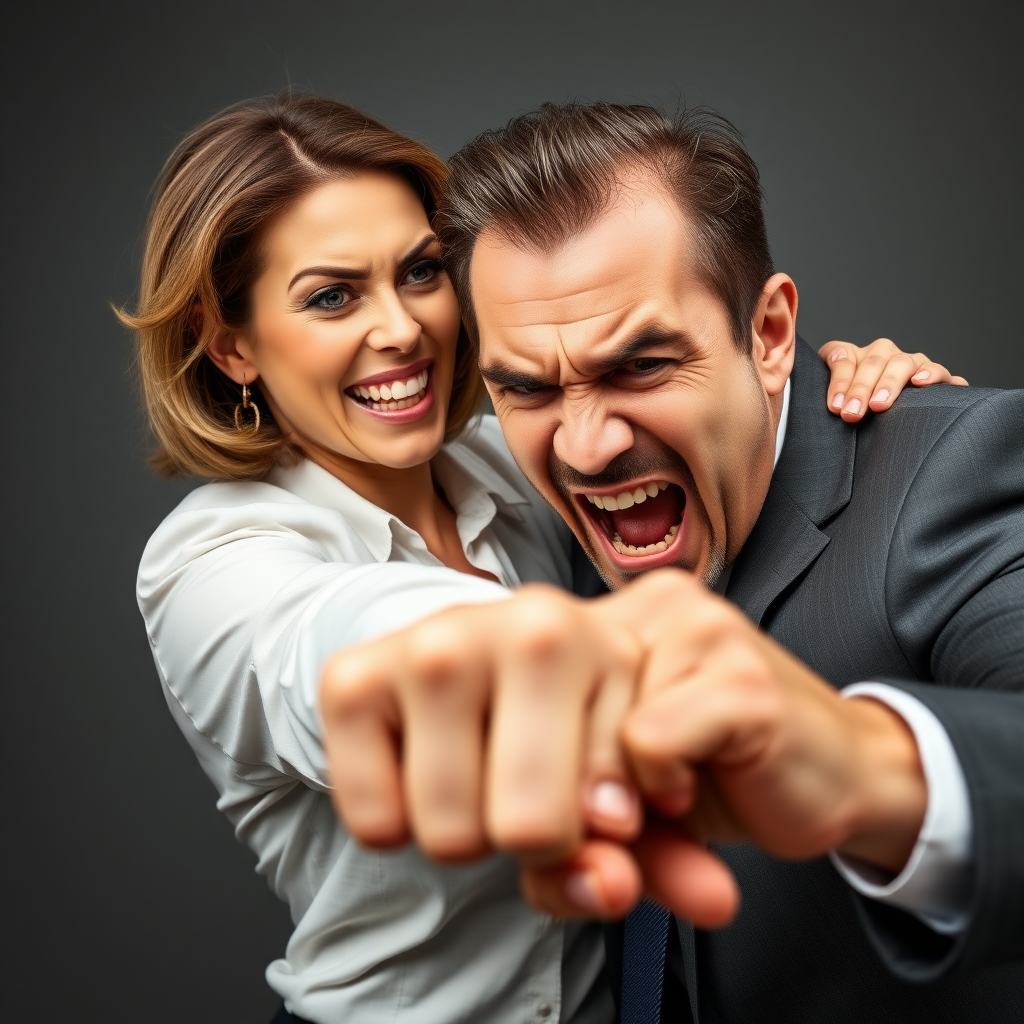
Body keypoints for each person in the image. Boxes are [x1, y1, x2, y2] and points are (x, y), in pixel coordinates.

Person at [124, 93, 956, 1024]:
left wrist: (851, 400)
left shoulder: (526, 455)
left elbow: (678, 378)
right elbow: (339, 654)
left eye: (422, 272)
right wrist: (512, 652)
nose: (400, 329)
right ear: (231, 344)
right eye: (331, 296)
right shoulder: (210, 560)